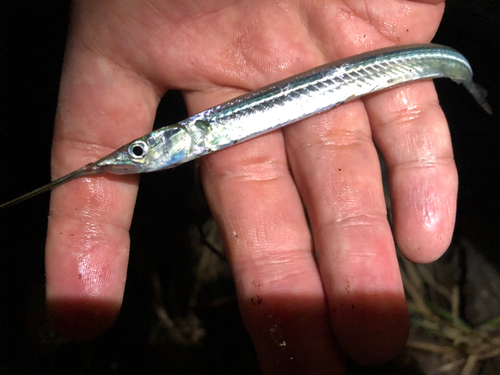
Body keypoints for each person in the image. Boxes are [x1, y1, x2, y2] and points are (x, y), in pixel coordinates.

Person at [46, 0, 454, 373]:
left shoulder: (202, 130)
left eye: (138, 151)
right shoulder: (197, 134)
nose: (133, 158)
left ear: (180, 137)